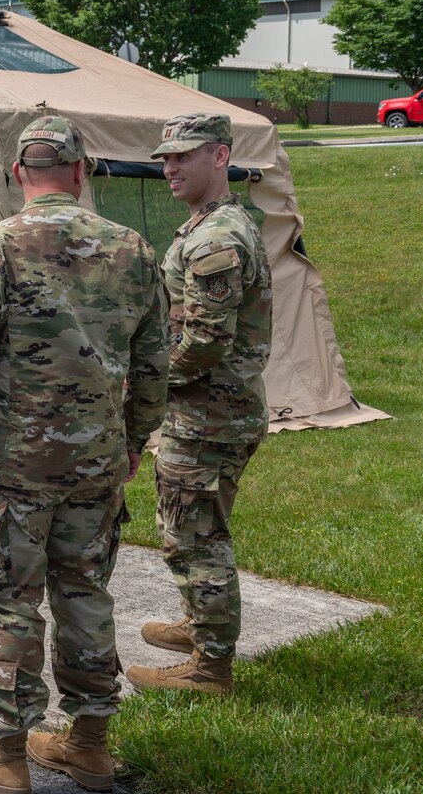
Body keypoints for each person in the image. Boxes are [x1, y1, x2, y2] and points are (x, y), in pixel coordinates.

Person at [0, 116, 168, 794]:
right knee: (84, 593)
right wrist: (133, 439)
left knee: (7, 601)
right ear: (80, 169)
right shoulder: (132, 250)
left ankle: (4, 756)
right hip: (95, 460)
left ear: (16, 175)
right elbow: (154, 361)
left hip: (13, 466)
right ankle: (89, 744)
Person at [127, 113, 272, 698]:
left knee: (194, 537)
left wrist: (145, 386)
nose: (169, 168)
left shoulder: (216, 239)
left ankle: (211, 669)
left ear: (220, 156)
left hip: (210, 413)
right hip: (212, 411)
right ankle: (198, 626)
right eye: (165, 158)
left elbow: (206, 342)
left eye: (183, 156)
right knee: (195, 525)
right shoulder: (211, 225)